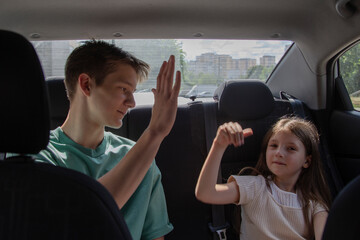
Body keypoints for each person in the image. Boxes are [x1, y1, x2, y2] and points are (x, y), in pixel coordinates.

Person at [34, 40, 181, 240]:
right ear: (86, 85)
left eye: (133, 92)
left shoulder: (142, 159)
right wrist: (154, 133)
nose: (132, 103)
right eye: (123, 89)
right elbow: (81, 218)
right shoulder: (38, 156)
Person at [195, 116, 332, 240]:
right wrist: (218, 145)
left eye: (290, 148)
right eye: (273, 145)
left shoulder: (314, 204)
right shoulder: (254, 187)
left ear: (307, 161)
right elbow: (206, 193)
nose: (278, 152)